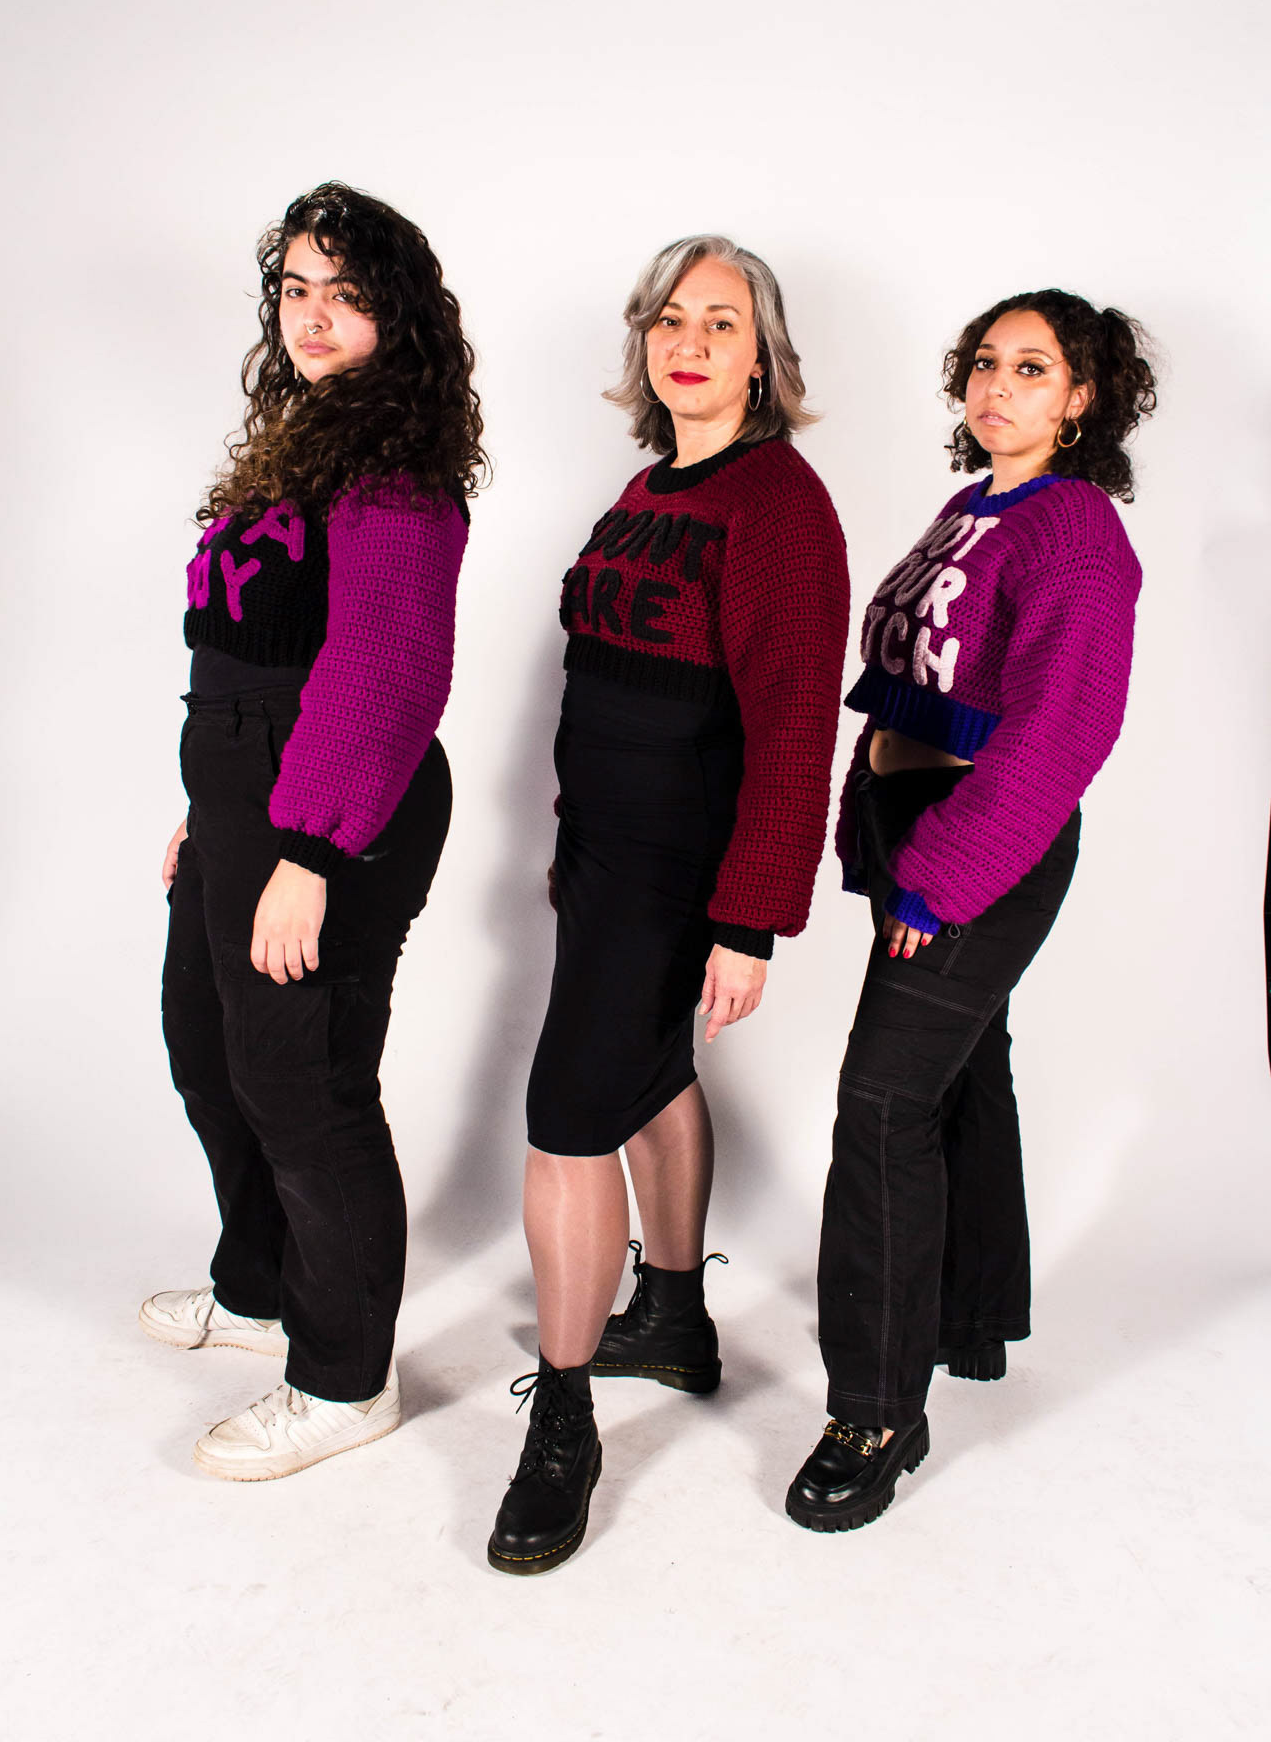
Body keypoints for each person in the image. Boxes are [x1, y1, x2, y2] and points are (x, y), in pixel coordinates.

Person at [488, 235, 850, 1575]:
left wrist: (748, 919)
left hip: (680, 870)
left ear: (764, 357)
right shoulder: (650, 488)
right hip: (605, 859)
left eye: (721, 322)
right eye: (668, 320)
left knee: (564, 1121)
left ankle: (563, 1423)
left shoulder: (779, 505)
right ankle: (677, 1317)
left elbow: (794, 726)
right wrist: (572, 841)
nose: (689, 342)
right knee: (644, 1077)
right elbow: (604, 684)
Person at [786, 289, 1156, 1533]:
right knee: (958, 1068)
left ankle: (874, 1412)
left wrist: (943, 874)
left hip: (983, 842)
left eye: (1032, 369)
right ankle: (971, 1317)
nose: (997, 386)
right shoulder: (971, 508)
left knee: (880, 1100)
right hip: (915, 826)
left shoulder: (1075, 531)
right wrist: (871, 820)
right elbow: (906, 680)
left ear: (1081, 397)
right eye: (985, 363)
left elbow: (1059, 734)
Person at [144, 182, 484, 1480]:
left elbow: (387, 672)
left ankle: (345, 1379)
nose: (313, 314)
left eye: (344, 293)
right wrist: (208, 817)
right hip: (246, 796)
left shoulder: (395, 466)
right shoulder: (302, 441)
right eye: (295, 289)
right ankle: (262, 1288)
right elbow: (246, 649)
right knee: (206, 1043)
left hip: (338, 802)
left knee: (305, 1082)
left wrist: (312, 853)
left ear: (396, 314)